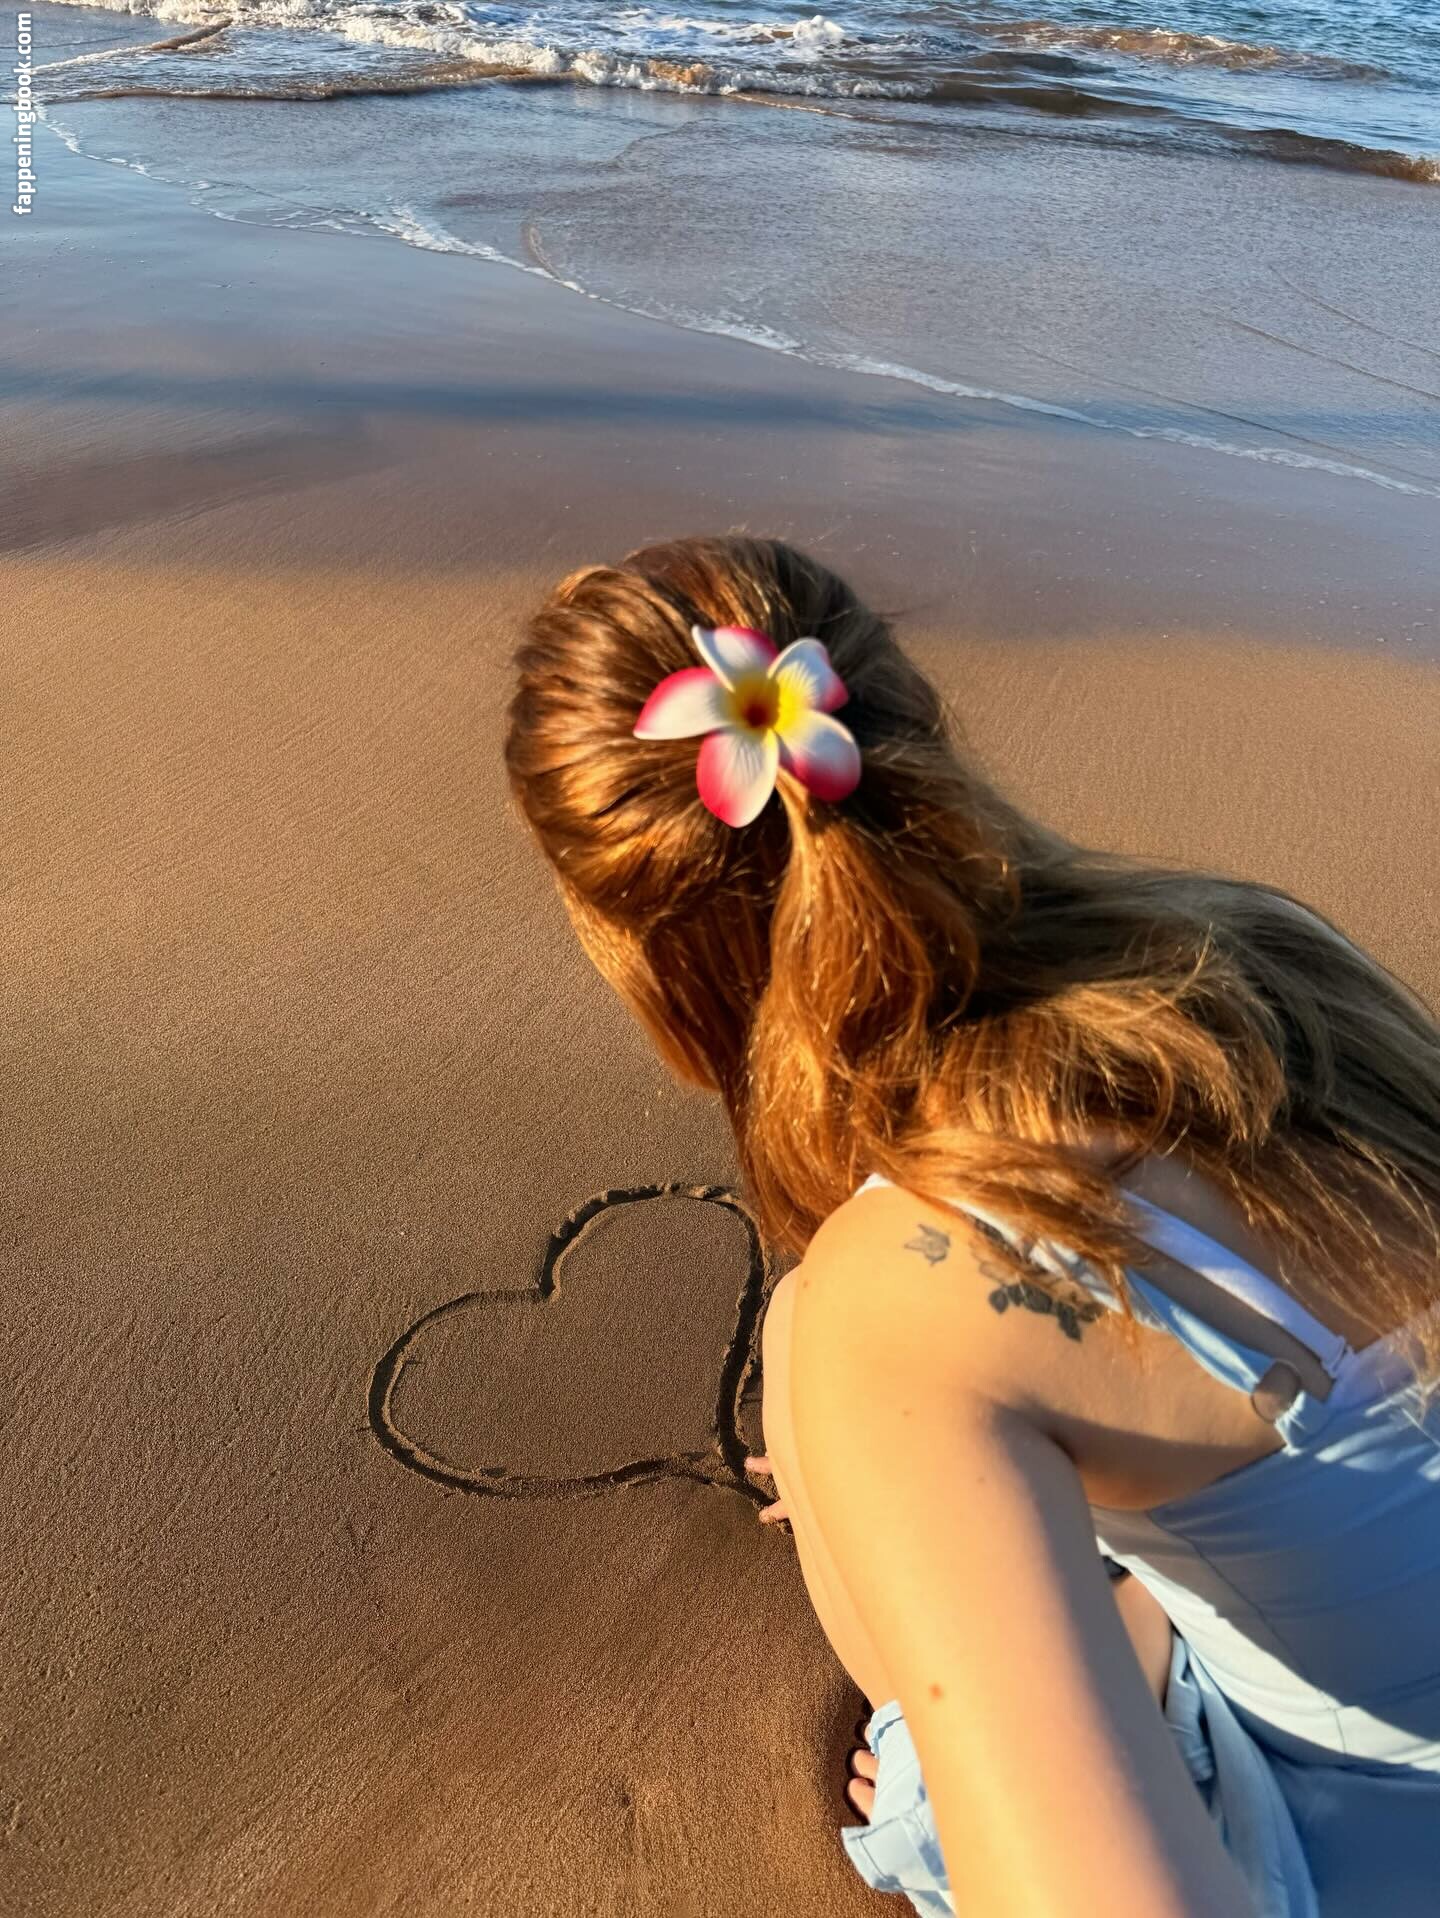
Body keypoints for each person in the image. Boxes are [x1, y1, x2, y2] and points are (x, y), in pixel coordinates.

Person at [502, 535, 1440, 1918]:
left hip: (1380, 1844)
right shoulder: (1256, 961)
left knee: (833, 1357)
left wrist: (896, 1457)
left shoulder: (907, 1290)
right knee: (824, 1356)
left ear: (641, 949)